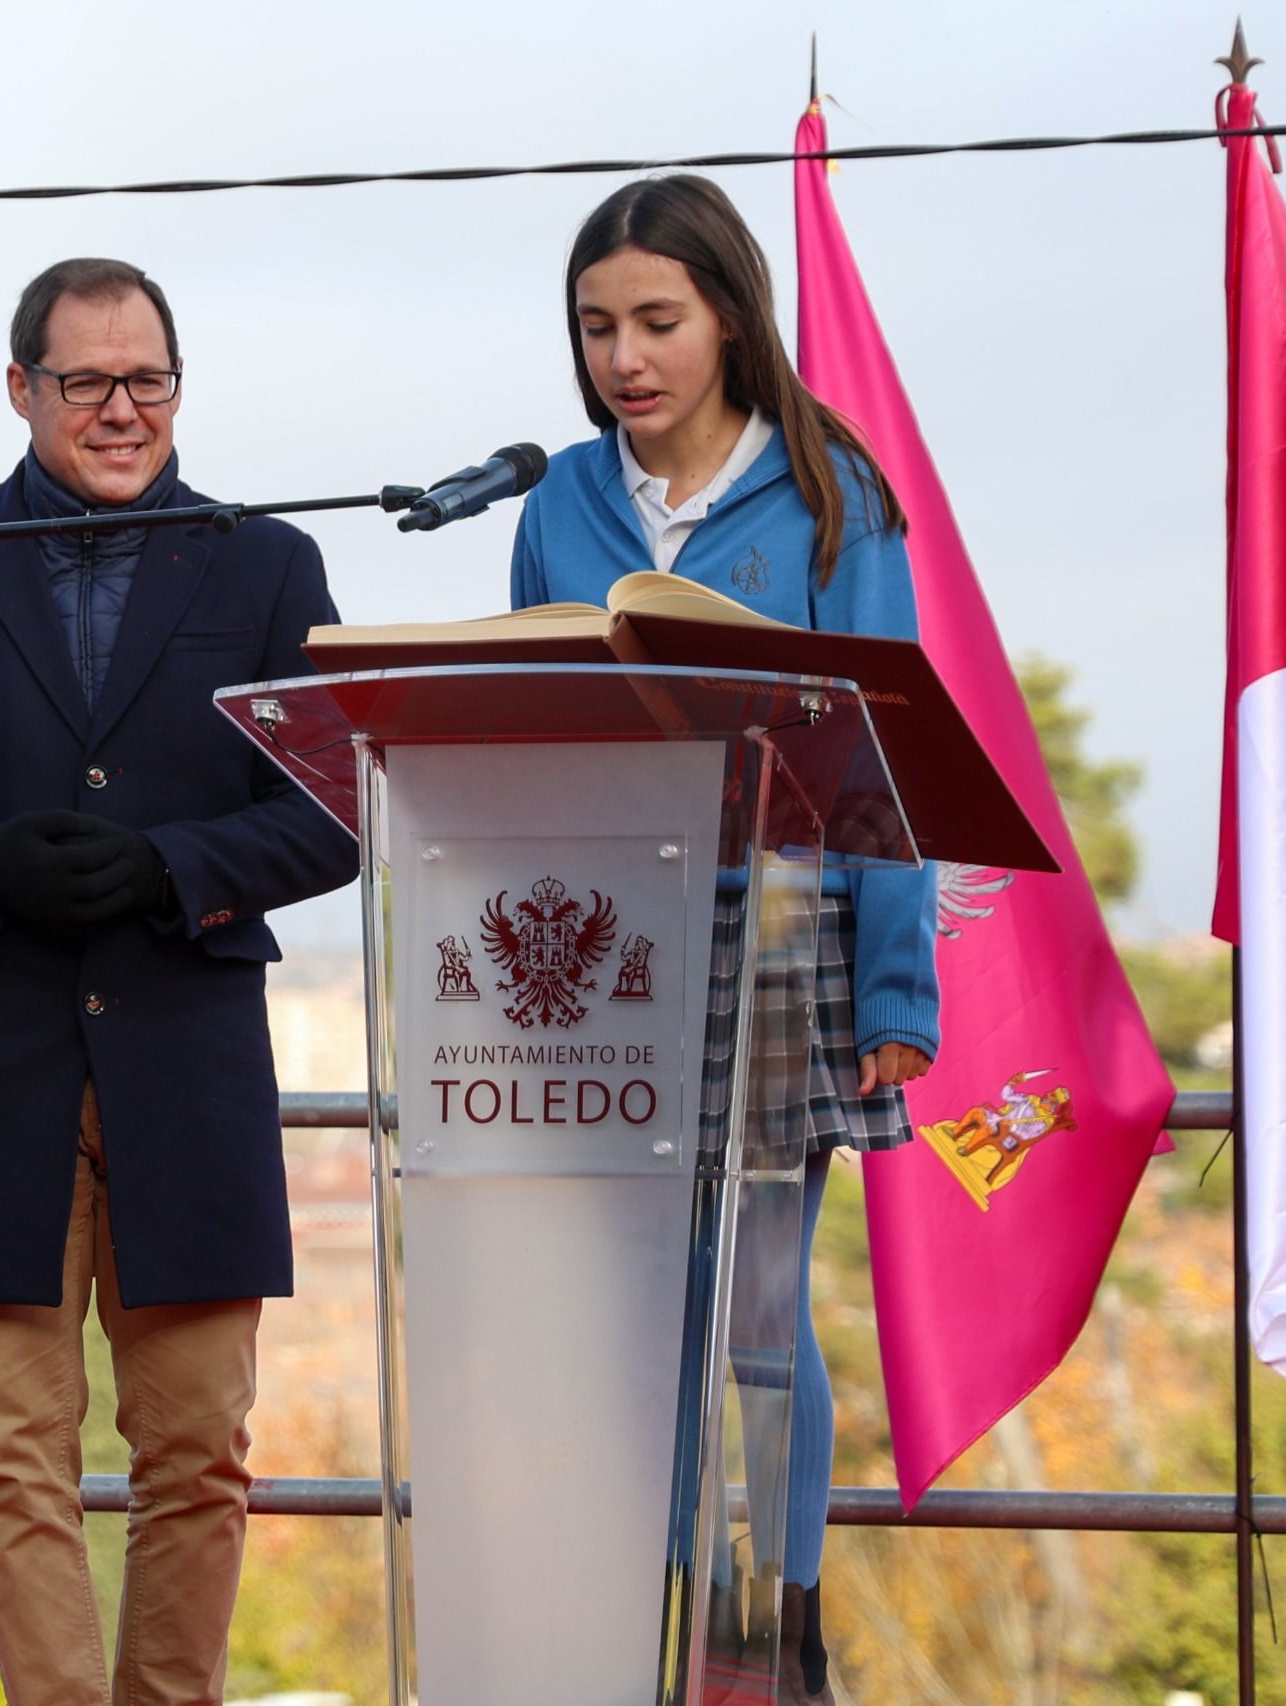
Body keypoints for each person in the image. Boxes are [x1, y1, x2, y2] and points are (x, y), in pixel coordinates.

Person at [0, 258, 354, 1703]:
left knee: (199, 1452)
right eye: (88, 381)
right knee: (9, 1452)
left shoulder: (267, 563)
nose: (122, 410)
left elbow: (339, 803)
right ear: (20, 389)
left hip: (189, 1054)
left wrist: (178, 865)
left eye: (148, 379)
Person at [507, 175, 939, 1706]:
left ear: (732, 318)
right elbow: (522, 725)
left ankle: (779, 1633)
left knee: (757, 1298)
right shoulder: (556, 500)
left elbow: (889, 747)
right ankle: (664, 1616)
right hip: (617, 941)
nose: (626, 356)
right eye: (597, 326)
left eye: (658, 321)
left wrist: (898, 985)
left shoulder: (832, 493)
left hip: (785, 933)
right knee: (644, 1307)